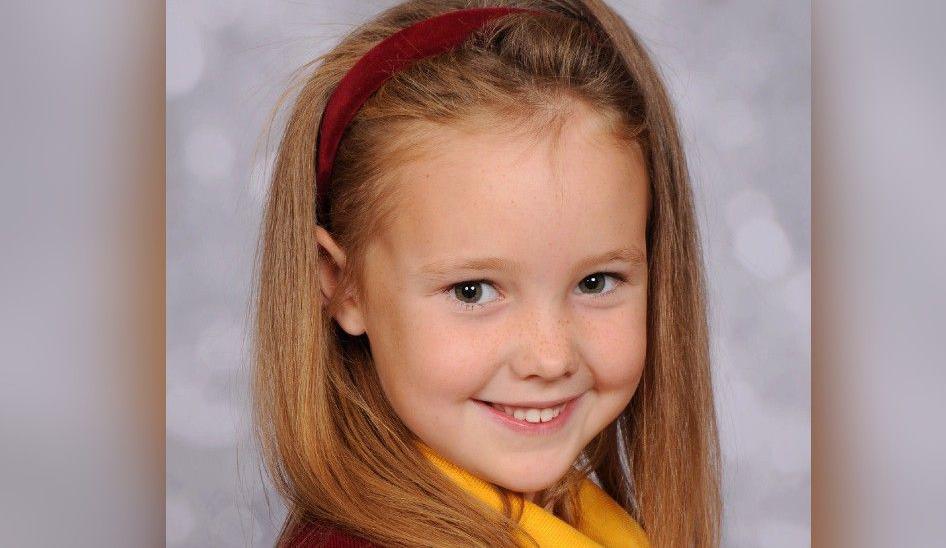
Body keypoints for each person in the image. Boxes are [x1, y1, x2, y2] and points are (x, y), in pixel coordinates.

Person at [251, 1, 720, 546]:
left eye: (596, 283)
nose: (550, 358)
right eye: (472, 291)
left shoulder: (587, 522)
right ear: (341, 285)